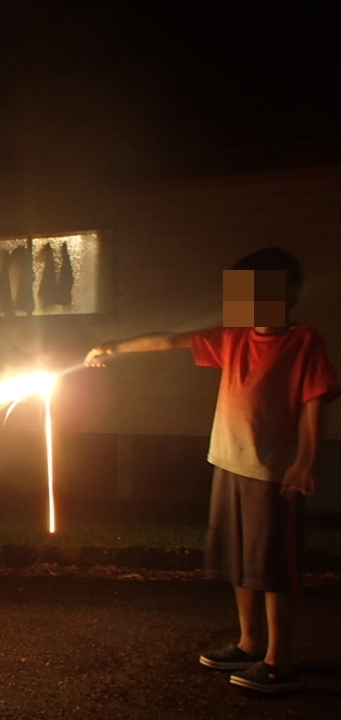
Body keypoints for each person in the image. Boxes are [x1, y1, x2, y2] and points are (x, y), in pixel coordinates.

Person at [83, 247, 339, 694]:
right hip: (228, 461)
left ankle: (280, 660)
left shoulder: (303, 342)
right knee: (241, 561)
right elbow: (171, 339)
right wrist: (115, 346)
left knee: (274, 565)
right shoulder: (234, 338)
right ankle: (248, 641)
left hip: (272, 473)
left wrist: (306, 459)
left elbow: (315, 401)